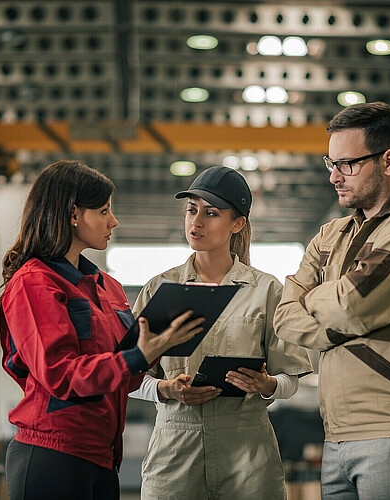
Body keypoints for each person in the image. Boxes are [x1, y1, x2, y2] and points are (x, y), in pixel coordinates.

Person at [0, 160, 204, 500]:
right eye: (103, 211)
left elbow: (121, 373)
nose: (113, 221)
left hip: (101, 458)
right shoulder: (35, 283)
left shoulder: (108, 288)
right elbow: (59, 374)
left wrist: (161, 381)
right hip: (53, 455)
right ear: (73, 214)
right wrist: (137, 355)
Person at [273, 102, 390, 499]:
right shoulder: (332, 235)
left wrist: (324, 302)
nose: (334, 177)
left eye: (347, 164)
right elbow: (284, 315)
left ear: (389, 160)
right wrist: (343, 312)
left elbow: (351, 305)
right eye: (330, 163)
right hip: (337, 436)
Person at [130, 166, 312, 499]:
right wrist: (166, 389)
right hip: (175, 444)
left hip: (247, 447)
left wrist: (268, 384)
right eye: (191, 210)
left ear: (237, 223)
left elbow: (290, 378)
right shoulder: (160, 288)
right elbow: (129, 378)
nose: (196, 222)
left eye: (211, 213)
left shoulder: (266, 290)